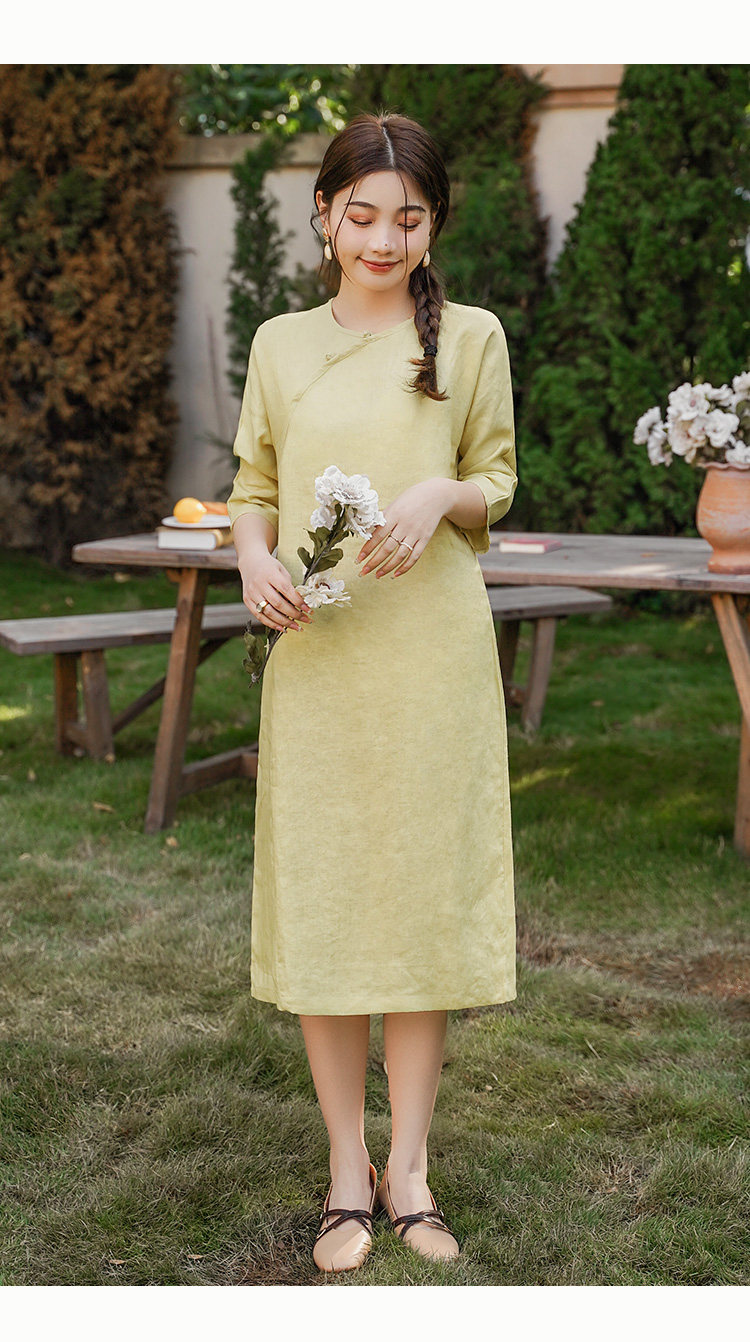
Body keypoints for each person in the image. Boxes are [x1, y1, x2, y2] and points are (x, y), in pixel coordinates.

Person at [226, 111, 518, 1275]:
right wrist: (254, 561)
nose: (384, 240)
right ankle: (347, 1170)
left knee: (418, 902)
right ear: (325, 216)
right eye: (362, 216)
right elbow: (252, 485)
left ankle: (412, 1170)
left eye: (408, 218)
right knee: (334, 899)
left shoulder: (473, 338)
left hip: (432, 657)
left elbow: (496, 478)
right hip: (322, 660)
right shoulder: (281, 344)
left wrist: (438, 496)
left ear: (434, 223)